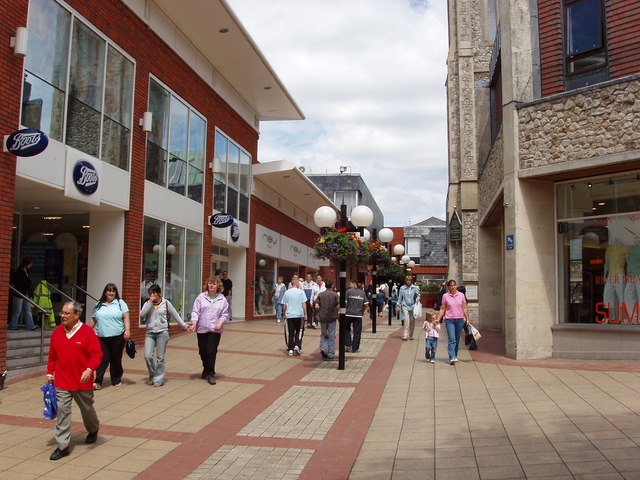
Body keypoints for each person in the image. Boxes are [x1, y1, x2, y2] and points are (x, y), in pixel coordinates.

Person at [46, 301, 102, 461]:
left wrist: (89, 369)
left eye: (66, 313)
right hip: (62, 381)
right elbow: (52, 355)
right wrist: (50, 373)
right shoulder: (57, 332)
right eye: (61, 313)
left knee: (87, 408)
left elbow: (97, 354)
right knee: (63, 411)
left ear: (77, 315)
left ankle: (93, 429)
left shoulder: (87, 332)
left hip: (82, 381)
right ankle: (62, 446)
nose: (62, 316)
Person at [140, 284, 189, 387]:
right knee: (147, 356)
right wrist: (149, 302)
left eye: (154, 293)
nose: (152, 295)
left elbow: (175, 315)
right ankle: (153, 375)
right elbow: (142, 314)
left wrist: (185, 326)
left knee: (160, 357)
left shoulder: (166, 303)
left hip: (162, 332)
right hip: (150, 332)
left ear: (158, 293)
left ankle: (158, 379)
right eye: (150, 293)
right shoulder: (148, 303)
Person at [188, 276, 229, 385]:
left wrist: (219, 323)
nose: (211, 285)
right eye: (210, 283)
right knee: (203, 351)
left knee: (211, 351)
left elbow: (225, 314)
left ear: (218, 286)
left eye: (214, 284)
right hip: (202, 328)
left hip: (215, 330)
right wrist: (193, 323)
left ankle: (210, 373)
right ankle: (206, 368)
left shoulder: (222, 299)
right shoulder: (201, 297)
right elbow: (195, 311)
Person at [90, 283, 130, 389]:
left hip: (117, 336)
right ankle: (98, 381)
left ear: (116, 293)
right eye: (109, 290)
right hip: (101, 336)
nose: (111, 293)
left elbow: (126, 317)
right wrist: (88, 331)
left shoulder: (120, 303)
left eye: (113, 291)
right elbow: (93, 319)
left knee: (116, 358)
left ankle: (116, 379)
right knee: (102, 358)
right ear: (105, 292)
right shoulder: (98, 304)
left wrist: (127, 330)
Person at [436, 279, 469, 365]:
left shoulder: (461, 295)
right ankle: (451, 357)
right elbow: (442, 308)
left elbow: (464, 308)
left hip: (460, 319)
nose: (453, 287)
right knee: (452, 339)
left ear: (456, 286)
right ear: (448, 287)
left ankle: (455, 355)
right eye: (451, 285)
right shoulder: (445, 296)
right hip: (449, 320)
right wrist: (438, 319)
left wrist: (467, 318)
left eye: (454, 285)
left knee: (457, 339)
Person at [281, 276, 308, 356]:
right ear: (296, 283)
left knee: (290, 331)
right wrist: (305, 314)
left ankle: (290, 348)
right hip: (299, 315)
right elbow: (304, 304)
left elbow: (284, 305)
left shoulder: (287, 292)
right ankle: (297, 345)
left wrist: (284, 314)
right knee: (299, 330)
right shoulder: (301, 292)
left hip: (290, 315)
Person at [9, 256, 37, 330]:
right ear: (27, 263)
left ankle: (30, 326)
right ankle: (12, 325)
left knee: (28, 309)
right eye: (30, 264)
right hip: (19, 293)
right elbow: (17, 282)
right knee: (17, 310)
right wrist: (28, 284)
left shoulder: (26, 271)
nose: (31, 265)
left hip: (25, 293)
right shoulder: (19, 272)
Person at [315, 280, 339, 360]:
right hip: (332, 317)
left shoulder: (321, 294)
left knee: (324, 334)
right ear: (332, 286)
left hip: (323, 317)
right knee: (332, 334)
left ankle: (323, 348)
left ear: (325, 286)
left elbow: (316, 305)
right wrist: (336, 310)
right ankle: (331, 353)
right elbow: (339, 305)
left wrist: (319, 308)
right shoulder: (335, 295)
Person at [345, 281, 368, 353]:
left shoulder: (348, 291)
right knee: (357, 332)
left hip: (348, 314)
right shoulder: (362, 293)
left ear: (354, 284)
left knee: (346, 329)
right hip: (358, 315)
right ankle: (355, 348)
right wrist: (362, 311)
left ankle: (348, 344)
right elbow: (366, 304)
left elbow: (345, 302)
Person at [398, 275, 420, 340]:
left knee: (412, 321)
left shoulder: (414, 288)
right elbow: (400, 298)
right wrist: (398, 306)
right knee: (406, 320)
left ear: (411, 281)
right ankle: (405, 334)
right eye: (407, 280)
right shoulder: (402, 288)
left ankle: (411, 334)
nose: (408, 282)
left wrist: (418, 298)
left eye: (409, 280)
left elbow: (418, 295)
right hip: (405, 306)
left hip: (413, 306)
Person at [458, 285, 478, 350]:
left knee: (468, 332)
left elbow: (465, 309)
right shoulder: (462, 298)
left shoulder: (463, 299)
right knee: (468, 331)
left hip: (463, 317)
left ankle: (473, 344)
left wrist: (466, 318)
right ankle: (473, 344)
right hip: (462, 317)